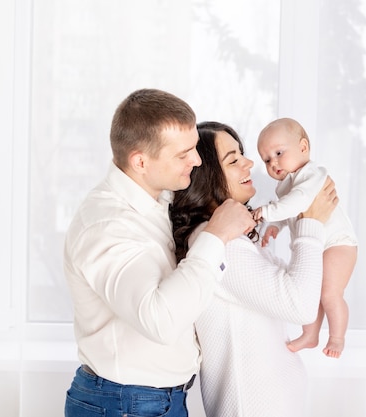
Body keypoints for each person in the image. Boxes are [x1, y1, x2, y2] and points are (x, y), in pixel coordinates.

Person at [63, 89, 256, 417]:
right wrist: (216, 236)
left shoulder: (160, 200)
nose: (196, 161)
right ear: (140, 161)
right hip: (124, 405)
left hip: (154, 402)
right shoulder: (107, 225)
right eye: (184, 154)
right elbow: (159, 320)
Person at [169, 121, 338, 417]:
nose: (250, 163)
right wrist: (311, 222)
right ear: (205, 176)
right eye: (233, 160)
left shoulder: (229, 239)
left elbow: (295, 284)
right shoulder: (219, 243)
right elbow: (300, 305)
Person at [252, 117, 358, 358]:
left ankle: (337, 337)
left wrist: (266, 213)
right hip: (317, 244)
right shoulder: (285, 186)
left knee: (329, 293)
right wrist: (276, 226)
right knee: (311, 291)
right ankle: (310, 335)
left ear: (303, 147)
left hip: (338, 244)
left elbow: (298, 202)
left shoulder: (312, 175)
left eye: (279, 153)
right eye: (267, 160)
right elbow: (289, 208)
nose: (273, 163)